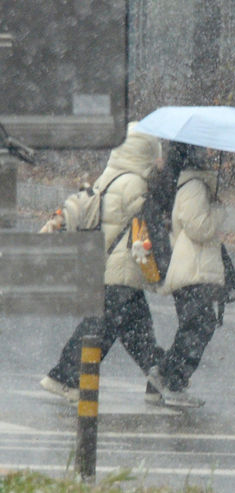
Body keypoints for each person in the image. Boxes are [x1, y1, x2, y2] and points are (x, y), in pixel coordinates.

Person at [40, 123, 166, 403]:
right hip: (121, 269)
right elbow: (145, 224)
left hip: (108, 266)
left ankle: (159, 376)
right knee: (98, 330)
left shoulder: (108, 176)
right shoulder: (136, 183)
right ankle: (63, 377)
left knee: (136, 329)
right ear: (145, 151)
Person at [145, 142, 225, 408]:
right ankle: (173, 381)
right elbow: (198, 228)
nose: (209, 155)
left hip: (196, 268)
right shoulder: (193, 186)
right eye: (205, 151)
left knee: (196, 324)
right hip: (194, 269)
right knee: (199, 325)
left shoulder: (193, 183)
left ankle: (165, 373)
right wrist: (219, 212)